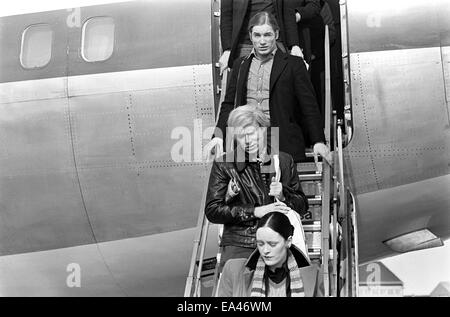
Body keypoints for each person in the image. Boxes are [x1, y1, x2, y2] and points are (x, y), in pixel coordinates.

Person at [208, 11, 331, 165]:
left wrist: (318, 140)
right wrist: (218, 135)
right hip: (247, 142)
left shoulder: (294, 64)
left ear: (276, 34)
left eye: (267, 35)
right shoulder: (240, 65)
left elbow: (309, 106)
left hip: (282, 142)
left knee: (278, 187)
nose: (262, 41)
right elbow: (228, 105)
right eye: (257, 35)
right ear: (251, 36)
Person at [205, 105, 309, 269]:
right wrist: (254, 211)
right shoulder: (224, 164)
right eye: (241, 136)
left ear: (262, 130)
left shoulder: (283, 160)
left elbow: (302, 206)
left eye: (251, 133)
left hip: (277, 240)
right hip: (240, 242)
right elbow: (212, 210)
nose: (247, 141)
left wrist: (283, 195)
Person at [217, 211, 323, 297]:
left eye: (272, 244)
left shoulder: (315, 275)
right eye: (260, 244)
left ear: (288, 241)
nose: (265, 250)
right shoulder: (233, 270)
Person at [219, 0, 304, 75]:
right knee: (244, 88)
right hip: (245, 44)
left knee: (279, 87)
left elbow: (288, 13)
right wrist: (227, 50)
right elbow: (226, 15)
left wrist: (294, 45)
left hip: (274, 42)